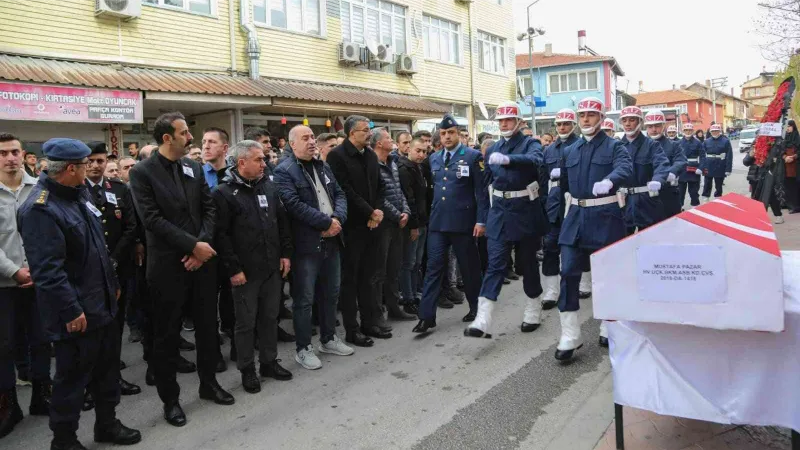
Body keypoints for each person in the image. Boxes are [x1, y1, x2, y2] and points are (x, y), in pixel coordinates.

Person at [19, 138, 141, 449]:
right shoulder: (41, 209)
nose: (90, 169)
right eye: (85, 164)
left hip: (101, 302)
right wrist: (71, 311)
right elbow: (48, 272)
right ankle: (64, 439)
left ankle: (107, 424)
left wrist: (111, 284)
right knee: (71, 380)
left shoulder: (78, 193)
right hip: (76, 313)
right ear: (71, 169)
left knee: (106, 370)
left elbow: (97, 246)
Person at [129, 112, 234, 428]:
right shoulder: (142, 173)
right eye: (185, 133)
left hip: (201, 263)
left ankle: (209, 384)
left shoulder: (193, 167)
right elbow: (152, 220)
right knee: (167, 337)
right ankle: (170, 400)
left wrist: (200, 248)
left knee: (206, 328)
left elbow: (209, 209)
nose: (191, 138)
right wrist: (192, 247)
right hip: (167, 268)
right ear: (167, 138)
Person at [213, 140, 293, 390]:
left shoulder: (268, 186)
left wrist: (285, 254)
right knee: (246, 324)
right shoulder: (223, 193)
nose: (264, 163)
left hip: (271, 266)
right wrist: (233, 270)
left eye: (264, 159)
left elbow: (282, 223)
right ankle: (247, 369)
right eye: (259, 159)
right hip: (245, 273)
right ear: (241, 162)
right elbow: (221, 237)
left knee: (270, 318)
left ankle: (269, 361)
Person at [464, 101, 548, 338]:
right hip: (499, 212)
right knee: (496, 263)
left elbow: (535, 160)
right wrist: (482, 219)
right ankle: (482, 319)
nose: (504, 124)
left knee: (527, 263)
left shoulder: (530, 143)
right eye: (500, 120)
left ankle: (533, 306)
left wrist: (510, 160)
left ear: (519, 122)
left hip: (524, 211)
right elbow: (484, 188)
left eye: (508, 120)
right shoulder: (492, 149)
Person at [556, 97, 632, 360]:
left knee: (607, 276)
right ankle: (570, 334)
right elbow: (563, 186)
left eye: (591, 114)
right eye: (582, 115)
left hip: (605, 215)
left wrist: (610, 180)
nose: (586, 119)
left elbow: (625, 168)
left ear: (601, 118)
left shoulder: (615, 146)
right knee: (567, 274)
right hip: (576, 216)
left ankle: (607, 325)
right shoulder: (570, 150)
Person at [275, 125, 353, 370]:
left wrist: (337, 220)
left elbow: (339, 194)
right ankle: (303, 348)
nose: (311, 142)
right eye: (305, 138)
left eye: (312, 137)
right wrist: (325, 222)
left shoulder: (323, 165)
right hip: (307, 245)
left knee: (331, 293)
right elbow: (292, 204)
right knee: (304, 299)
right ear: (292, 143)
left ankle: (328, 339)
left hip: (332, 239)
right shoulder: (284, 171)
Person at [413, 114, 488, 334]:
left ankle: (477, 309)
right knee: (433, 268)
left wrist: (481, 220)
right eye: (443, 133)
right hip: (438, 222)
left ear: (458, 134)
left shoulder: (473, 157)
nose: (447, 137)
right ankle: (426, 317)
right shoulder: (434, 158)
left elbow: (481, 193)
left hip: (463, 222)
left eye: (451, 133)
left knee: (470, 269)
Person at [0, 133, 51, 439]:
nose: (10, 158)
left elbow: (49, 232)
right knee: (4, 346)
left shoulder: (40, 189)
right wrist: (14, 271)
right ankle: (8, 406)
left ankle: (42, 396)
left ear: (23, 154)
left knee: (42, 339)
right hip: (4, 284)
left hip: (40, 280)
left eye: (15, 151)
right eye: (3, 152)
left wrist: (37, 269)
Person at [85, 143, 141, 398]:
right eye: (91, 161)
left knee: (115, 328)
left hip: (118, 267)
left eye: (100, 160)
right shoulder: (74, 191)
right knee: (89, 332)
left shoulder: (117, 189)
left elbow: (130, 226)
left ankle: (112, 378)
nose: (96, 165)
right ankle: (87, 384)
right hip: (87, 274)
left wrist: (115, 260)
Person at [326, 115, 387, 346]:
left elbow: (380, 186)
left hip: (373, 225)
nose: (369, 133)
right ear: (352, 134)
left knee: (369, 278)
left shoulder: (370, 155)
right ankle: (352, 329)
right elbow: (345, 191)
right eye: (364, 130)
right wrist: (369, 212)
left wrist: (377, 212)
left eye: (369, 129)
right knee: (350, 280)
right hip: (352, 228)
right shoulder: (337, 156)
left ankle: (370, 322)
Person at [372, 128, 414, 322]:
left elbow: (399, 191)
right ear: (379, 143)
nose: (393, 141)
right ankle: (377, 313)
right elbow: (378, 198)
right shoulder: (372, 164)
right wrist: (398, 215)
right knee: (379, 271)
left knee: (394, 269)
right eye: (389, 138)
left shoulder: (393, 162)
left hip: (398, 222)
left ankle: (394, 308)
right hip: (383, 225)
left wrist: (405, 211)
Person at [540, 109, 579, 311]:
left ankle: (582, 283)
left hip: (575, 204)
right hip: (554, 205)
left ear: (574, 125)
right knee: (550, 247)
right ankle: (552, 291)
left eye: (566, 123)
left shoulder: (580, 145)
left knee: (576, 248)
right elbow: (542, 178)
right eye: (559, 124)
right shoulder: (549, 150)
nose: (562, 127)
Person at [618, 106, 670, 234]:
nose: (628, 124)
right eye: (624, 120)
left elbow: (662, 164)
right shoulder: (616, 146)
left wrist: (658, 179)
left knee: (649, 239)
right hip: (624, 201)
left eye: (632, 120)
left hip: (647, 200)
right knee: (622, 241)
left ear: (640, 122)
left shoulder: (652, 145)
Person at [397, 137, 429, 315]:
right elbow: (410, 200)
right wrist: (414, 225)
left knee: (417, 262)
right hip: (413, 224)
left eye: (424, 151)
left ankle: (416, 292)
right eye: (418, 150)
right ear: (409, 149)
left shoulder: (420, 168)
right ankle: (408, 298)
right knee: (408, 263)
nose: (421, 155)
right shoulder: (404, 169)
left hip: (422, 221)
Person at [644, 110, 687, 218]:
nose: (654, 129)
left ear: (664, 126)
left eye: (657, 126)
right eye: (650, 126)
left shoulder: (674, 145)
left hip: (668, 193)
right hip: (645, 195)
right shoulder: (640, 147)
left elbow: (681, 161)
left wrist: (672, 172)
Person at [701, 124, 733, 201]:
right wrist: (701, 166)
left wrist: (728, 169)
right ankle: (706, 198)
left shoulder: (725, 141)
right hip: (708, 165)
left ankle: (718, 198)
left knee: (719, 184)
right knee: (707, 183)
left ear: (720, 131)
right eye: (713, 131)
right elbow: (701, 154)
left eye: (716, 131)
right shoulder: (706, 142)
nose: (715, 132)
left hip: (720, 165)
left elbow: (729, 156)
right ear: (710, 132)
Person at [677, 123, 705, 208]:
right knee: (680, 192)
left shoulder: (698, 142)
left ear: (692, 131)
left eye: (690, 130)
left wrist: (700, 168)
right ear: (683, 131)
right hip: (682, 170)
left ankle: (695, 208)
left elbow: (703, 156)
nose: (688, 132)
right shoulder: (678, 142)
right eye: (686, 130)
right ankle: (679, 208)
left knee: (694, 192)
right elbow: (674, 157)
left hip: (694, 170)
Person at [784, 120, 799, 213]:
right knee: (788, 186)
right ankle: (791, 205)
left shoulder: (797, 137)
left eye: (789, 126)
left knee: (796, 186)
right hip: (786, 166)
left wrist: (793, 157)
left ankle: (797, 206)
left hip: (796, 166)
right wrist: (785, 157)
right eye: (787, 126)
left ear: (793, 127)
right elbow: (781, 150)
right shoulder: (785, 138)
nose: (788, 128)